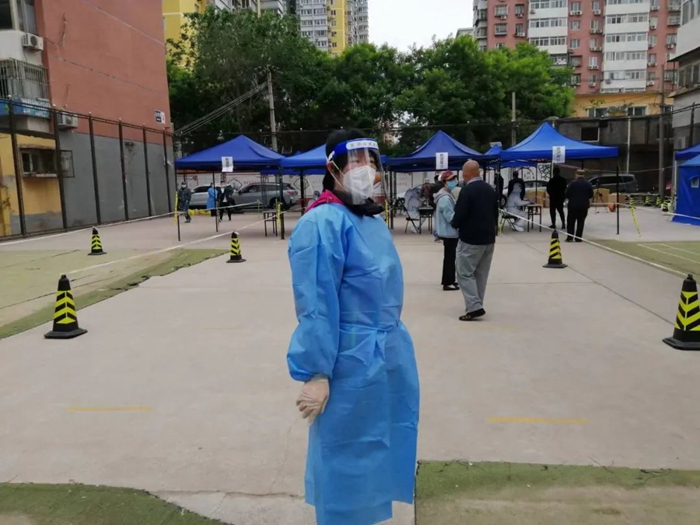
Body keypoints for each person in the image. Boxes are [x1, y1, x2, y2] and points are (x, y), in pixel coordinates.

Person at [287, 129, 420, 525]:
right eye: (357, 160)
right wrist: (316, 371)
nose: (367, 169)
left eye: (372, 160)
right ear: (333, 168)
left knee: (381, 447)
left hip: (387, 354)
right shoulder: (322, 223)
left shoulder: (370, 221)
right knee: (345, 453)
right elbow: (316, 304)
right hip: (348, 362)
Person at [451, 160, 498, 321]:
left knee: (464, 273)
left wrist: (454, 224)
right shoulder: (490, 189)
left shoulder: (467, 191)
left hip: (471, 239)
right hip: (489, 238)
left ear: (465, 174)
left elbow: (460, 213)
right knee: (481, 274)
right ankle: (477, 303)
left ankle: (474, 306)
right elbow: (495, 212)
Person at [435, 171, 460, 291]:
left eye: (454, 179)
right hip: (449, 232)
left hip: (448, 232)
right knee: (450, 258)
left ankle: (450, 280)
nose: (453, 181)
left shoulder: (446, 194)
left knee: (450, 257)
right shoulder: (445, 197)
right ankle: (448, 282)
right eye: (450, 180)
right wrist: (459, 222)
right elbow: (450, 216)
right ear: (444, 182)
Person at [565, 170, 594, 242]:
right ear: (584, 175)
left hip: (573, 205)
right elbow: (591, 195)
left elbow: (566, 193)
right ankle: (578, 237)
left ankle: (570, 237)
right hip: (584, 206)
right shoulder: (588, 184)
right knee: (581, 222)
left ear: (576, 175)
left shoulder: (572, 183)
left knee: (571, 222)